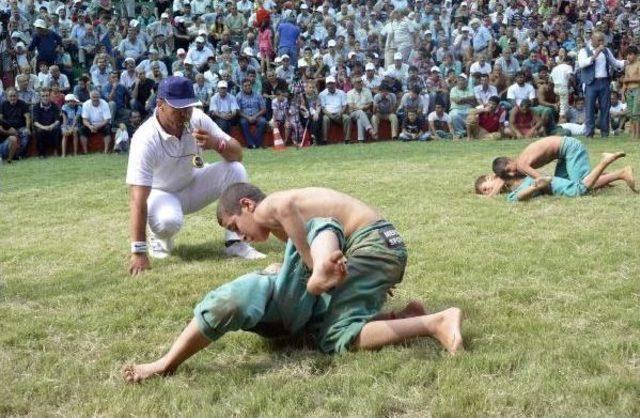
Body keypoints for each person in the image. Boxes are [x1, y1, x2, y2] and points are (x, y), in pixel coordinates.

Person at [120, 184, 463, 383]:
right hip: (379, 245)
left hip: (371, 243)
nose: (242, 236)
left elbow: (305, 219)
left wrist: (315, 267)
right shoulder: (291, 226)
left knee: (335, 337)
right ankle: (401, 317)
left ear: (246, 205)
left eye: (237, 227)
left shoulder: (270, 207)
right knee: (327, 310)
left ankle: (434, 322)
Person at [126, 77, 265, 275]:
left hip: (193, 184)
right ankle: (161, 238)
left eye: (189, 107)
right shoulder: (145, 138)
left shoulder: (197, 118)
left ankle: (235, 240)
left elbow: (237, 154)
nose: (185, 114)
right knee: (168, 222)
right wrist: (138, 251)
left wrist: (217, 143)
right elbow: (137, 199)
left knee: (235, 170)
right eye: (178, 108)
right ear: (160, 105)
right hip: (162, 193)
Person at [489, 136, 627, 197]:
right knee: (568, 183)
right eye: (507, 174)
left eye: (508, 170)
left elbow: (543, 179)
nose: (512, 174)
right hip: (563, 154)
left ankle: (620, 173)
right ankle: (604, 177)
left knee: (580, 186)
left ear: (509, 160)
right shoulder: (519, 161)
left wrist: (545, 192)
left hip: (570, 148)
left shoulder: (521, 164)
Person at [476, 153, 636, 201]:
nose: (488, 190)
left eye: (485, 188)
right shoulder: (508, 183)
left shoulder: (501, 177)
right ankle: (615, 174)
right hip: (544, 182)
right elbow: (516, 195)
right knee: (581, 185)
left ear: (490, 177)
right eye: (484, 191)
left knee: (578, 190)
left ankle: (606, 162)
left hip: (550, 180)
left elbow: (500, 187)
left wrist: (488, 195)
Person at [578, 31, 626, 138]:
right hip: (591, 82)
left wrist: (624, 62)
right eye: (599, 40)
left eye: (602, 40)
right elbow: (581, 64)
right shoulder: (584, 50)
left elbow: (614, 62)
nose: (601, 42)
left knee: (605, 108)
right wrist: (595, 54)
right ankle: (589, 133)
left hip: (604, 82)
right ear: (592, 40)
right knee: (590, 108)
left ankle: (605, 133)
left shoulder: (606, 50)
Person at [0, 88, 32, 159]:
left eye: (14, 96)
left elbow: (27, 117)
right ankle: (6, 154)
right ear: (7, 97)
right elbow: (1, 118)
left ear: (17, 96)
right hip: (8, 128)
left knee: (26, 133)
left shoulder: (23, 104)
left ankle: (19, 155)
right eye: (10, 96)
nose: (12, 98)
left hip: (20, 127)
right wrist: (6, 130)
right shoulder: (3, 105)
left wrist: (27, 128)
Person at [236, 78, 268, 149]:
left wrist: (255, 116)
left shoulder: (258, 95)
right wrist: (248, 117)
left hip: (257, 116)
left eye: (249, 85)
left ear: (252, 85)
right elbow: (238, 111)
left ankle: (257, 143)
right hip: (245, 117)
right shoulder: (238, 96)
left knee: (263, 121)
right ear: (242, 87)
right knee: (243, 122)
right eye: (245, 86)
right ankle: (251, 143)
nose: (248, 87)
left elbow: (263, 109)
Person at [319, 76, 349, 144]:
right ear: (326, 85)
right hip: (328, 114)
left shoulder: (341, 93)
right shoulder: (322, 94)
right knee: (325, 119)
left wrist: (340, 113)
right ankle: (325, 140)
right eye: (329, 84)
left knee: (347, 118)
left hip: (339, 113)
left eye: (332, 83)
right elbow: (323, 109)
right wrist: (330, 115)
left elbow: (344, 106)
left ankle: (347, 140)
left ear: (335, 84)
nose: (330, 85)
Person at [32, 88, 62, 158]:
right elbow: (35, 122)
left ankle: (56, 151)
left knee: (57, 129)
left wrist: (51, 126)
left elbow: (57, 120)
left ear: (50, 96)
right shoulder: (36, 107)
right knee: (39, 131)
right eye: (43, 96)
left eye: (47, 95)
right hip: (41, 126)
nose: (45, 98)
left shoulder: (54, 106)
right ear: (40, 97)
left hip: (52, 125)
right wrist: (44, 127)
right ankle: (42, 153)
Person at [346, 75, 375, 143]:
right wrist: (361, 108)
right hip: (353, 114)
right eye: (358, 82)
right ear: (353, 84)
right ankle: (370, 129)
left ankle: (361, 140)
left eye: (361, 81)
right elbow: (351, 106)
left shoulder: (367, 91)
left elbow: (370, 103)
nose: (360, 83)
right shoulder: (350, 93)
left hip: (366, 113)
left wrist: (363, 108)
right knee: (360, 112)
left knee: (360, 117)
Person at [621, 46, 640, 139]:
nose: (628, 57)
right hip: (629, 91)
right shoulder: (627, 67)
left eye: (630, 54)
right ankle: (632, 134)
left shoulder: (639, 64)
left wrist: (628, 79)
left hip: (637, 90)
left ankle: (637, 134)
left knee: (636, 113)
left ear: (636, 55)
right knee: (630, 114)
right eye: (627, 55)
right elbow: (625, 82)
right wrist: (622, 94)